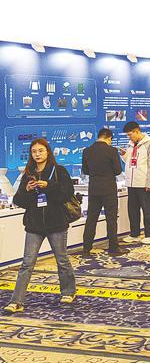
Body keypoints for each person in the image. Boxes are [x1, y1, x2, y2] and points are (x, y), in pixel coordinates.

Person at [3, 138, 76, 314]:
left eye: (41, 151)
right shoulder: (28, 173)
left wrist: (48, 186)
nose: (37, 154)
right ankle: (17, 301)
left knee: (62, 260)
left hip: (56, 223)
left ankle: (68, 291)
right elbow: (19, 200)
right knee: (27, 263)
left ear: (47, 152)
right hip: (34, 225)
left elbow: (66, 194)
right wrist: (27, 190)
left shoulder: (58, 170)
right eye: (34, 151)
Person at [81, 128, 127, 256]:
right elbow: (118, 171)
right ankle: (113, 247)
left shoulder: (87, 151)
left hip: (94, 188)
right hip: (108, 188)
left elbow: (85, 170)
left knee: (91, 218)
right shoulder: (112, 151)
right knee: (111, 219)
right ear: (109, 138)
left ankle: (86, 247)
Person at [119, 121, 150, 245]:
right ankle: (134, 234)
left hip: (144, 184)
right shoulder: (130, 145)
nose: (129, 137)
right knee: (133, 210)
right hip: (131, 183)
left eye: (130, 134)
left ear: (137, 131)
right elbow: (131, 161)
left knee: (147, 210)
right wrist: (124, 156)